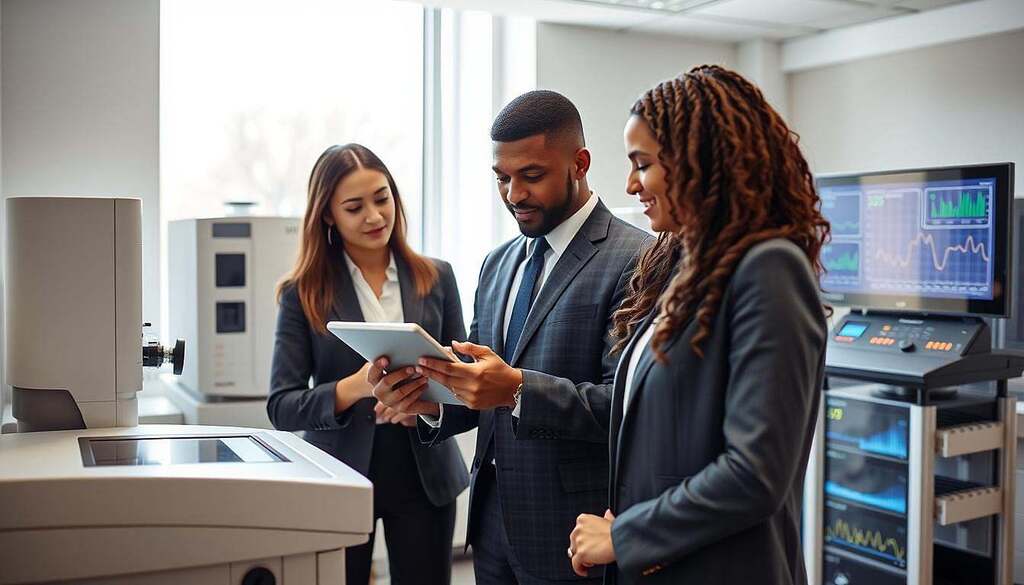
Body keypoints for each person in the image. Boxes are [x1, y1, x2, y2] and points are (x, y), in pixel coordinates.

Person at [371, 90, 650, 584]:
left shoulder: (638, 259)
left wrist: (520, 389)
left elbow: (631, 407)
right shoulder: (498, 263)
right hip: (493, 527)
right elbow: (480, 387)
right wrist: (428, 400)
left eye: (532, 176)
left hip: (577, 535)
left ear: (579, 163)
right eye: (501, 178)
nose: (514, 194)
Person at [567, 65, 830, 584]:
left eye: (642, 164)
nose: (629, 183)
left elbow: (755, 473)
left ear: (698, 162)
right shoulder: (685, 267)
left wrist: (626, 535)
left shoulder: (769, 269)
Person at [267, 143, 469, 585]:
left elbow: (469, 389)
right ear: (328, 216)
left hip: (425, 474)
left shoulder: (437, 277)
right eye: (355, 207)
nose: (375, 216)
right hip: (340, 471)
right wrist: (356, 386)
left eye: (382, 198)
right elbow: (282, 406)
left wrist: (426, 407)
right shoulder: (302, 293)